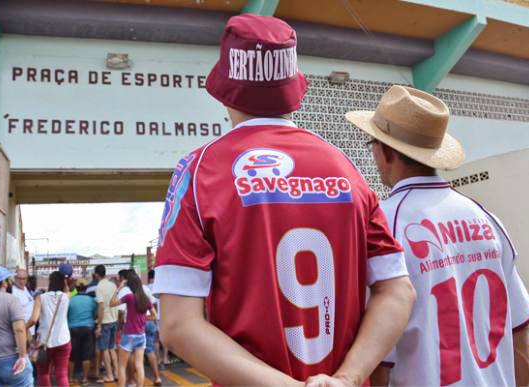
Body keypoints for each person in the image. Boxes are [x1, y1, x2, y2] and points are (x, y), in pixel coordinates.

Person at [153, 13, 416, 386]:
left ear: (225, 91)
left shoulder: (198, 173)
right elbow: (397, 290)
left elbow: (178, 324)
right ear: (292, 88)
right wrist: (346, 378)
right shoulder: (345, 168)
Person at [346, 85, 529, 386]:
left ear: (387, 151)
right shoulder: (485, 217)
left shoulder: (384, 226)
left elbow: (379, 354)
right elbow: (518, 328)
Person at [110, 271, 156, 387]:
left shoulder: (129, 297)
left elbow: (111, 303)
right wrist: (143, 319)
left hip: (129, 335)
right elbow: (154, 315)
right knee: (139, 365)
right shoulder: (145, 298)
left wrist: (119, 288)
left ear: (130, 285)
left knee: (122, 366)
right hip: (141, 336)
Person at [26, 271, 72, 387]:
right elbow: (67, 289)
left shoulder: (40, 298)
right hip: (63, 340)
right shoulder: (66, 297)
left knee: (43, 373)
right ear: (62, 282)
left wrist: (23, 327)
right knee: (62, 374)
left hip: (44, 343)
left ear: (50, 282)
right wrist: (64, 280)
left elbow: (34, 320)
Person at [67, 278, 97, 386]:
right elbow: (95, 314)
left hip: (72, 329)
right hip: (88, 328)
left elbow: (67, 314)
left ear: (76, 288)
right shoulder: (91, 300)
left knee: (72, 355)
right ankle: (84, 379)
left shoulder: (70, 300)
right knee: (86, 354)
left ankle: (70, 378)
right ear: (86, 288)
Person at [94, 264, 118, 383]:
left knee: (104, 349)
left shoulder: (99, 287)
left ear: (97, 274)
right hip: (114, 320)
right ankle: (117, 372)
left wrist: (98, 324)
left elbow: (101, 306)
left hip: (105, 322)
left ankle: (109, 375)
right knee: (112, 348)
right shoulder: (113, 285)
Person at [13, 268, 35, 337]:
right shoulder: (13, 292)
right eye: (19, 278)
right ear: (15, 278)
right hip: (22, 331)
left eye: (24, 278)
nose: (21, 281)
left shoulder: (25, 289)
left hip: (30, 331)